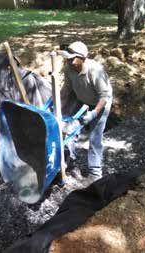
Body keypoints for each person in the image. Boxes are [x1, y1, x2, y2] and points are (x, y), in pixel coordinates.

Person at [60, 41, 113, 182]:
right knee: (69, 129)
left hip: (100, 103)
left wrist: (94, 113)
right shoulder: (69, 68)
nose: (68, 60)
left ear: (82, 57)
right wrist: (58, 105)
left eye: (72, 58)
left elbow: (104, 96)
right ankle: (70, 164)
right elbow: (67, 88)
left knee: (95, 137)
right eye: (68, 58)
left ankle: (95, 174)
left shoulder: (95, 71)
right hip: (82, 99)